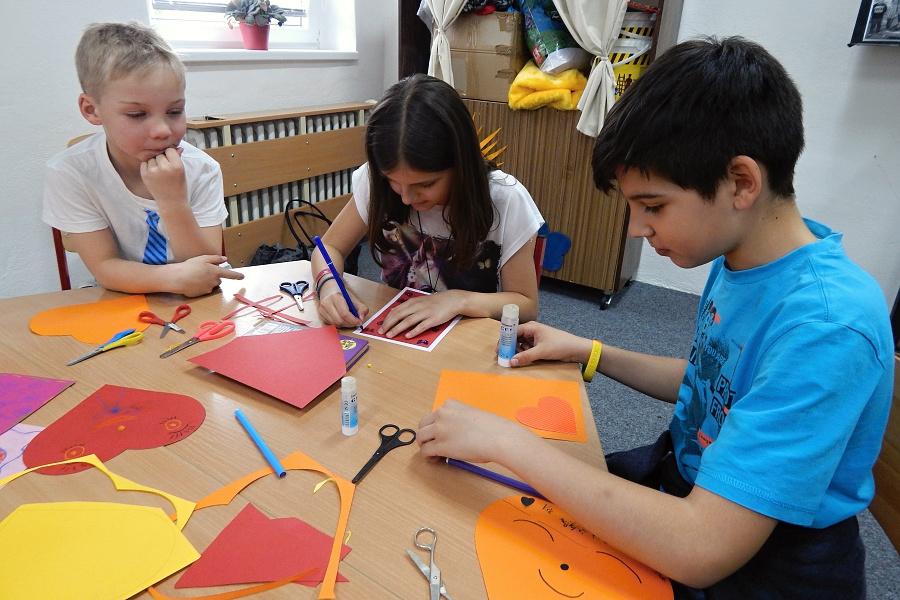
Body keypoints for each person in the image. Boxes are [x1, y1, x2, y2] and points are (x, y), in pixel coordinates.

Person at [418, 37, 894, 598]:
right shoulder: (744, 259)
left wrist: (506, 442)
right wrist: (590, 351)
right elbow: (716, 381)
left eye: (653, 206)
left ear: (742, 182)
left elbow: (700, 548)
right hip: (688, 484)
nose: (637, 229)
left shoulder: (826, 327)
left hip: (763, 561)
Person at [311, 74, 543, 337]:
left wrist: (458, 300)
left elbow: (526, 305)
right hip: (394, 332)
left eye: (426, 184)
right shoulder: (376, 182)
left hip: (465, 339)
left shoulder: (505, 199)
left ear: (460, 164)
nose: (407, 198)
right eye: (393, 182)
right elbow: (329, 247)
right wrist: (328, 286)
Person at [43, 22, 243, 296]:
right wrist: (171, 278)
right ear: (91, 110)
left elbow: (206, 267)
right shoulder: (70, 172)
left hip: (198, 297)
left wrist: (173, 201)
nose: (162, 130)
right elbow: (104, 266)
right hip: (121, 295)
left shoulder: (202, 169)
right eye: (137, 115)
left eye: (174, 111)